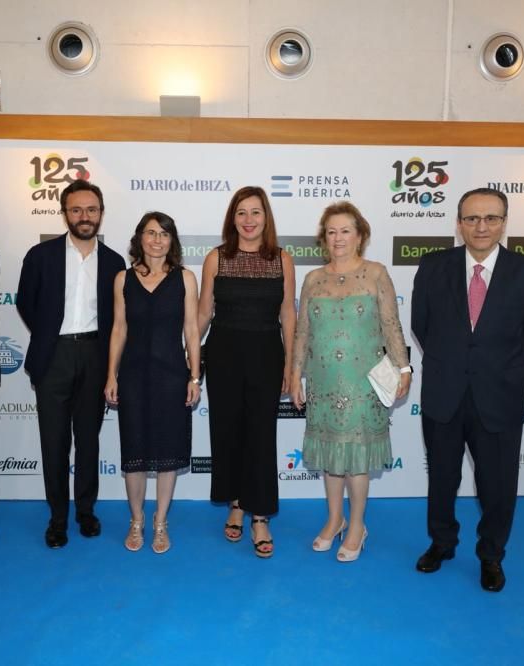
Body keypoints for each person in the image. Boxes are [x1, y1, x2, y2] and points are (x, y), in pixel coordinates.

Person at [412, 187, 524, 592]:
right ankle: (441, 543)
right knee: (441, 478)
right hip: (444, 391)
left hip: (499, 393)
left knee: (498, 483)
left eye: (491, 218)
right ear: (458, 223)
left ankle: (491, 555)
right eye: (472, 218)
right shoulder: (433, 266)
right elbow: (423, 326)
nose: (481, 226)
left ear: (505, 222)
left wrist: (491, 363)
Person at [290, 201, 411, 562]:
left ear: (360, 236)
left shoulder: (376, 273)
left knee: (357, 458)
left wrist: (404, 368)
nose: (338, 238)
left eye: (345, 230)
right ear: (323, 238)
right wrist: (295, 374)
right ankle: (334, 520)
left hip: (363, 382)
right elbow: (302, 333)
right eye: (331, 231)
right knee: (330, 456)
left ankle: (357, 525)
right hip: (324, 380)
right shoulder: (313, 279)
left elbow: (391, 324)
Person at [16, 180, 126, 548]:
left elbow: (117, 318)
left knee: (89, 441)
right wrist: (49, 335)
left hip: (96, 355)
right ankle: (57, 518)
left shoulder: (114, 262)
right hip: (54, 357)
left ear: (101, 214)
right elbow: (25, 302)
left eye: (91, 210)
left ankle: (85, 512)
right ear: (65, 213)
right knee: (54, 442)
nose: (84, 217)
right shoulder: (40, 255)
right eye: (76, 210)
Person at [197, 186, 296, 558]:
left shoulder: (282, 260)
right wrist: (190, 357)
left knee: (260, 435)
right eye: (242, 213)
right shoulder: (216, 259)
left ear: (266, 217)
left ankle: (260, 516)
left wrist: (291, 363)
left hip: (267, 354)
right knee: (226, 432)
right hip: (222, 354)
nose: (249, 220)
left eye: (256, 212)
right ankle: (236, 502)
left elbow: (288, 314)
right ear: (232, 218)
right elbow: (204, 313)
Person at [104, 212, 201, 554]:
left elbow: (192, 330)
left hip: (172, 376)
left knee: (167, 454)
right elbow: (119, 329)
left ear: (172, 240)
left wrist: (194, 376)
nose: (157, 240)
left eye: (164, 234)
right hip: (132, 377)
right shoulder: (122, 279)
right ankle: (136, 520)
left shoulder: (186, 279)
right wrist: (111, 374)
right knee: (135, 452)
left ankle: (160, 522)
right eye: (150, 233)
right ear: (139, 238)